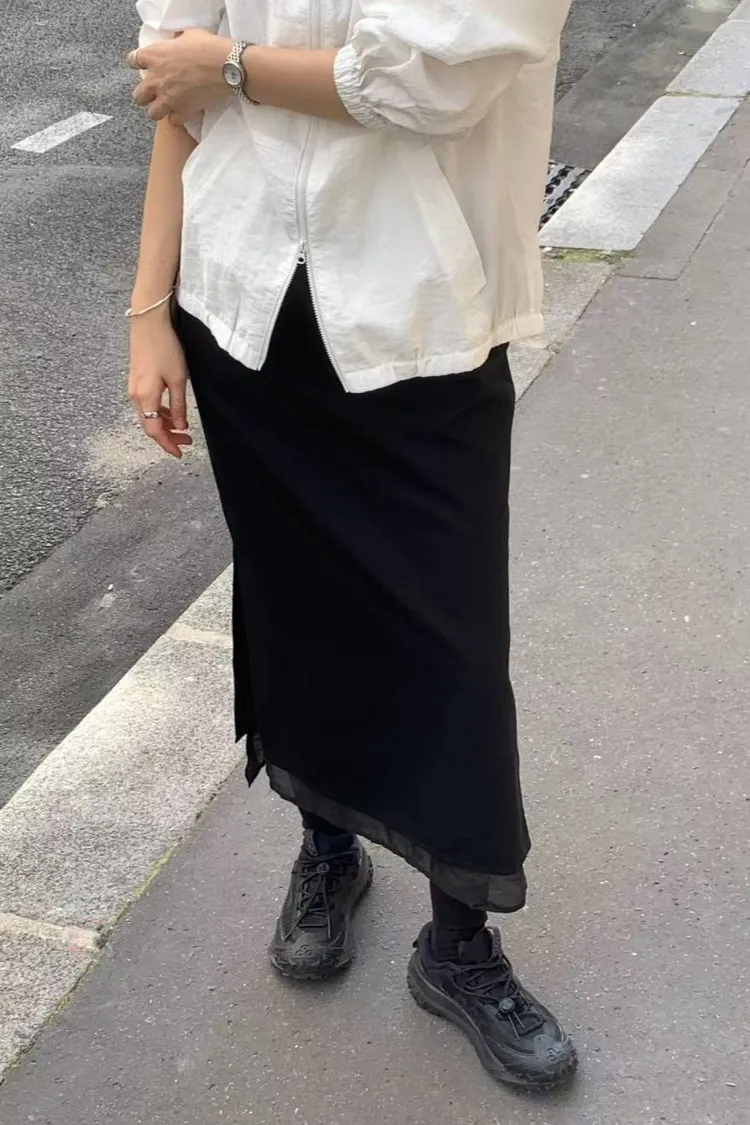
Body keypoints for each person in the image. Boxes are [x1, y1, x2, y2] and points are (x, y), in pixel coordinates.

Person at [127, 0, 577, 1092]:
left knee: (453, 648)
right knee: (296, 608)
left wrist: (232, 66)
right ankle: (325, 850)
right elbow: (174, 89)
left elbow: (427, 78)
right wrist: (148, 310)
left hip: (423, 318)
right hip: (240, 309)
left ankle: (459, 943)